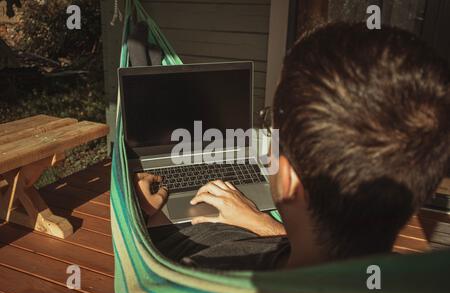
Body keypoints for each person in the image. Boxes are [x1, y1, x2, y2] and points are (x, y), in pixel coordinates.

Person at [134, 22, 450, 271]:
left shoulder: (208, 277)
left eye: (270, 120)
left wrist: (149, 216)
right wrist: (264, 224)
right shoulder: (414, 283)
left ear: (287, 181)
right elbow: (328, 265)